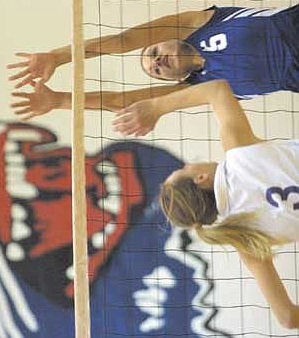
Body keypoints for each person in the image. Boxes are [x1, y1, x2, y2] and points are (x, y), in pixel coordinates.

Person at [112, 78, 299, 328]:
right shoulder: (239, 156)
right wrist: (156, 107)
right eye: (186, 168)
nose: (191, 163)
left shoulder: (243, 237)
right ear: (200, 178)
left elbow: (287, 318)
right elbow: (216, 89)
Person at [7, 4, 299, 120]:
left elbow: (121, 42)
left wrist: (57, 57)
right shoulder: (201, 86)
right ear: (174, 81)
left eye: (154, 51)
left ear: (168, 38)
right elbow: (119, 100)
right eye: (156, 69)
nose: (158, 60)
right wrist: (59, 100)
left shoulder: (199, 24)